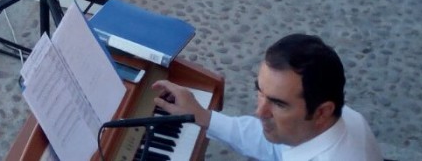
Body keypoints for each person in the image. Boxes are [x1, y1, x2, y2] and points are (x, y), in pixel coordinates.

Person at [154, 34, 382, 160]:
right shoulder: (342, 120)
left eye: (278, 104)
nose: (259, 112)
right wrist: (202, 116)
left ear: (322, 112)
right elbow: (272, 145)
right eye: (260, 93)